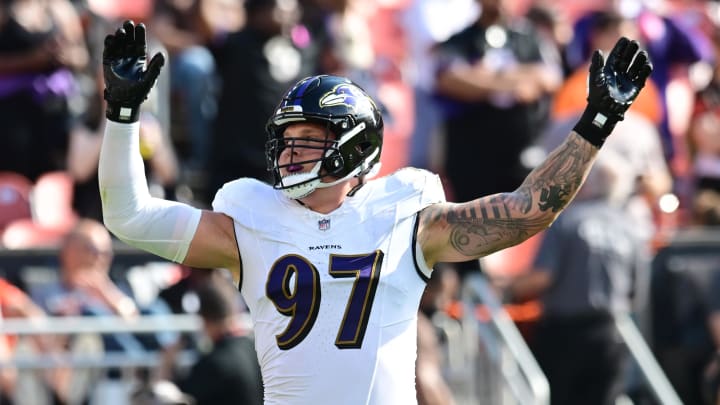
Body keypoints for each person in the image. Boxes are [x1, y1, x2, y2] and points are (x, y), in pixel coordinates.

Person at [98, 19, 652, 404]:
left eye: (307, 140)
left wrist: (597, 122)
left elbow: (525, 211)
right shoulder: (249, 219)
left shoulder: (407, 215)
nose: (289, 154)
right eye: (286, 140)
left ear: (352, 146)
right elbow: (129, 217)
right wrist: (122, 113)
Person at [504, 151, 647, 405]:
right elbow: (636, 291)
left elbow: (543, 277)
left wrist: (507, 288)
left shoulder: (567, 221)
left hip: (564, 333)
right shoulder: (630, 228)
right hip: (611, 332)